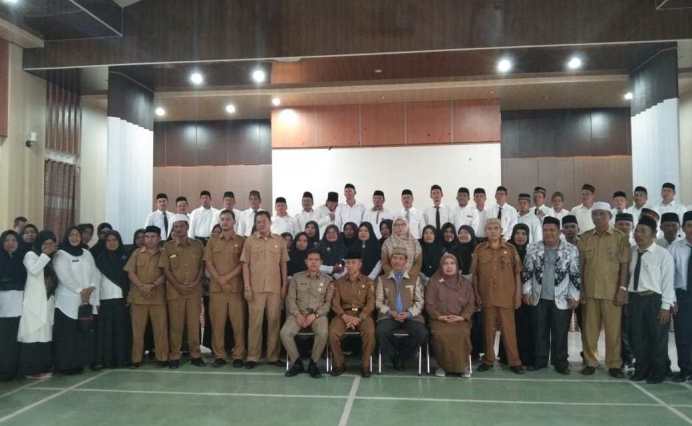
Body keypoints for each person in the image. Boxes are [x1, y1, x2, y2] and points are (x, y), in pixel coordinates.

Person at [578, 201, 630, 378]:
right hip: (590, 291)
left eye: (602, 214)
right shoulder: (585, 237)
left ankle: (614, 364)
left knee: (613, 331)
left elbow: (624, 265)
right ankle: (590, 362)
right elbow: (581, 266)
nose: (598, 217)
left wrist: (622, 288)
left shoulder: (620, 237)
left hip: (612, 292)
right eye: (595, 214)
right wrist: (581, 289)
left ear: (610, 216)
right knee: (589, 330)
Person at [522, 217, 581, 374]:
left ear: (559, 231)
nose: (548, 233)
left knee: (560, 333)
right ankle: (540, 361)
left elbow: (575, 274)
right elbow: (527, 272)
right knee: (539, 331)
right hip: (538, 297)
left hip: (562, 298)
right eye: (545, 230)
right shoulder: (532, 248)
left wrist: (574, 295)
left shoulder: (571, 249)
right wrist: (526, 291)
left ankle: (560, 362)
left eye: (552, 230)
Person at [627, 216, 675, 384]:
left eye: (643, 231)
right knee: (637, 337)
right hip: (635, 300)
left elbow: (668, 283)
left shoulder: (663, 255)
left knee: (657, 337)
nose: (638, 234)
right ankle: (641, 369)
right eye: (636, 231)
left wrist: (665, 307)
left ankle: (658, 371)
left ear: (654, 234)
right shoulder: (632, 252)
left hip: (655, 300)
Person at [472, 218, 524, 374]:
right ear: (485, 231)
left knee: (509, 331)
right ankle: (488, 360)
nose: (493, 231)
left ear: (501, 230)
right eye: (489, 228)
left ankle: (514, 362)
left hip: (506, 297)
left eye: (496, 228)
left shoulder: (511, 249)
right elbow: (474, 275)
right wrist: (476, 295)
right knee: (488, 331)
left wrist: (517, 296)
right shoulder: (479, 249)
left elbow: (517, 274)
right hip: (487, 297)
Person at [241, 211, 288, 368]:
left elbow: (283, 264)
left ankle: (273, 356)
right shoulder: (250, 241)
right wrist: (247, 287)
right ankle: (252, 356)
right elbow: (245, 265)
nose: (261, 224)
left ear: (270, 222)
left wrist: (284, 286)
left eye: (264, 221)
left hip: (274, 288)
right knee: (255, 323)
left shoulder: (279, 241)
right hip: (255, 289)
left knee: (274, 322)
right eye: (258, 222)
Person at [159, 215, 205, 368]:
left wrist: (196, 282)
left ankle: (196, 355)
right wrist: (178, 285)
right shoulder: (168, 247)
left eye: (181, 226)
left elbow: (202, 266)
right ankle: (174, 355)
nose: (178, 229)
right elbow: (166, 269)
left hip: (194, 292)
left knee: (194, 325)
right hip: (175, 292)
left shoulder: (197, 245)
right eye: (176, 226)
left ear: (187, 227)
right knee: (176, 325)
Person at [52, 226, 100, 374]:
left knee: (82, 333)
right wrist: (80, 290)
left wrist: (91, 288)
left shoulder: (86, 253)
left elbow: (94, 272)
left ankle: (79, 362)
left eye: (77, 235)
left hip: (85, 300)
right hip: (66, 302)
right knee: (67, 336)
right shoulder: (60, 254)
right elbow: (64, 276)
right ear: (66, 237)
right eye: (71, 235)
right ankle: (65, 365)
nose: (75, 237)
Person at [281, 249, 334, 378]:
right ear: (306, 262)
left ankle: (313, 364)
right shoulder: (296, 277)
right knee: (285, 333)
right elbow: (290, 299)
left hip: (318, 315)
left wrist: (315, 315)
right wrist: (297, 314)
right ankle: (297, 363)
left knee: (323, 333)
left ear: (321, 262)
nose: (313, 262)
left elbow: (328, 303)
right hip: (298, 314)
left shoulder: (328, 280)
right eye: (310, 259)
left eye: (316, 260)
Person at [204, 209, 246, 368]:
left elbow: (243, 264)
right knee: (217, 324)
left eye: (228, 219)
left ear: (234, 221)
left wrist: (226, 278)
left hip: (235, 290)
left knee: (238, 324)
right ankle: (219, 355)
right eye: (222, 219)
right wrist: (220, 279)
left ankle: (238, 355)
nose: (224, 222)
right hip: (217, 290)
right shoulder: (212, 241)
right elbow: (208, 263)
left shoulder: (242, 241)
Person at [375, 247, 427, 371]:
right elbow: (378, 302)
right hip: (389, 316)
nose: (397, 261)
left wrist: (409, 313)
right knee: (380, 332)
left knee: (422, 333)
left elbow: (420, 301)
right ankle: (394, 356)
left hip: (410, 316)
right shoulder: (382, 279)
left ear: (405, 261)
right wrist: (390, 312)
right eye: (394, 258)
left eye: (400, 258)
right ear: (390, 260)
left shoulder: (415, 279)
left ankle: (402, 356)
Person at [426, 253, 476, 377]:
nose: (449, 266)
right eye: (446, 264)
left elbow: (471, 304)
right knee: (441, 334)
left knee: (462, 333)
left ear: (457, 266)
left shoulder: (465, 283)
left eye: (452, 263)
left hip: (460, 320)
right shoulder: (433, 282)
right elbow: (429, 304)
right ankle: (442, 366)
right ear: (441, 266)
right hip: (439, 320)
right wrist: (439, 316)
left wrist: (462, 317)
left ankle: (462, 366)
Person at [125, 226, 169, 368]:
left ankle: (162, 358)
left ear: (159, 238)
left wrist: (153, 285)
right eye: (147, 237)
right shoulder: (137, 253)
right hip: (139, 298)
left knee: (160, 330)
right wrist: (141, 286)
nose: (150, 240)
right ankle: (136, 359)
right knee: (137, 331)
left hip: (158, 298)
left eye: (153, 237)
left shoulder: (164, 253)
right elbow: (130, 272)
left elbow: (166, 273)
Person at [328, 249, 376, 377]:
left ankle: (365, 365)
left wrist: (359, 318)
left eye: (353, 263)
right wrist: (345, 317)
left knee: (370, 332)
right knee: (333, 333)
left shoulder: (368, 282)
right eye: (348, 263)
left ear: (360, 264)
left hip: (362, 315)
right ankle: (339, 364)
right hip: (343, 314)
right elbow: (335, 303)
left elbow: (371, 303)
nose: (349, 265)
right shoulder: (338, 282)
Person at [18, 230, 57, 379]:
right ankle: (30, 370)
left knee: (44, 336)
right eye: (46, 243)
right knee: (32, 335)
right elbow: (34, 270)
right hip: (34, 303)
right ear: (39, 243)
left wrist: (48, 255)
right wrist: (46, 254)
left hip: (47, 302)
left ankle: (42, 368)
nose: (48, 246)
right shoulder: (31, 255)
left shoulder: (51, 259)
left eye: (51, 244)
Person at [94, 230, 131, 368]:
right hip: (105, 300)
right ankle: (107, 361)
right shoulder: (100, 259)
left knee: (121, 331)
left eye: (115, 240)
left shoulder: (125, 257)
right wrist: (96, 301)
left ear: (119, 241)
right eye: (109, 240)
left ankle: (122, 360)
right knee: (107, 332)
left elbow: (129, 279)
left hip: (122, 299)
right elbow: (96, 280)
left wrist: (129, 296)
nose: (112, 243)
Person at [501, 223, 533, 367]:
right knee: (509, 326)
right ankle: (506, 357)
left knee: (525, 327)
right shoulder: (506, 251)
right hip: (508, 295)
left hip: (526, 296)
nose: (520, 236)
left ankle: (524, 357)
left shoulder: (531, 252)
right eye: (518, 233)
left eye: (524, 234)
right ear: (513, 235)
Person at [0, 230, 27, 380]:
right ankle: (4, 370)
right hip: (3, 305)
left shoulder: (23, 258)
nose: (10, 243)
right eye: (7, 240)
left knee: (17, 337)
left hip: (19, 303)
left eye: (14, 240)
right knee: (4, 338)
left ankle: (16, 369)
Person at [670, 211, 692, 382]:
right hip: (683, 296)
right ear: (683, 228)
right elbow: (668, 277)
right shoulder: (674, 248)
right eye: (689, 225)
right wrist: (672, 299)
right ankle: (685, 369)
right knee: (683, 335)